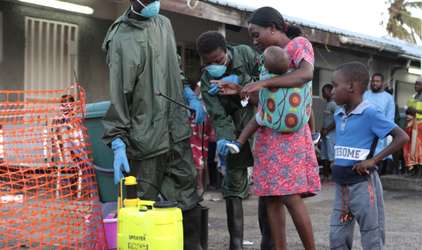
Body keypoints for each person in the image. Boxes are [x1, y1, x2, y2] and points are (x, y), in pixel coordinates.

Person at [101, 1, 206, 249]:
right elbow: (119, 93)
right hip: (145, 138)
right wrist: (117, 140)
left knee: (188, 199)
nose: (156, 4)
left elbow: (173, 68)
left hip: (176, 130)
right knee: (142, 209)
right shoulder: (121, 37)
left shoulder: (164, 24)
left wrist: (187, 92)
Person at [219, 7, 321, 250]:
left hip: (291, 136)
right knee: (271, 198)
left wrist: (263, 81)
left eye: (257, 35)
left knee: (290, 197)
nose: (254, 41)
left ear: (273, 28)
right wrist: (240, 90)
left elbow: (305, 74)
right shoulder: (263, 58)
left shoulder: (299, 45)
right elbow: (266, 102)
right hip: (267, 137)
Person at [196, 30, 272, 250]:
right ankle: (235, 244)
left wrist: (242, 81)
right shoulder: (206, 80)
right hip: (235, 132)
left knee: (266, 185)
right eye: (207, 62)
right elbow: (218, 117)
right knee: (232, 186)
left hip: (262, 126)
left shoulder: (247, 55)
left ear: (227, 50)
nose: (214, 65)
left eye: (218, 60)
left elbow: (268, 82)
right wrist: (226, 139)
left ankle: (268, 240)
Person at [328, 62, 409, 250]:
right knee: (336, 237)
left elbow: (402, 137)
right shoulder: (339, 115)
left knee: (371, 235)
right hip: (342, 186)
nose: (332, 91)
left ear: (351, 87)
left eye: (334, 85)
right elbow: (347, 143)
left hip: (363, 186)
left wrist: (373, 160)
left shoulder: (370, 114)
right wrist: (337, 161)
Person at [226, 46, 319, 154]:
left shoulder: (266, 79)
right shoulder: (295, 77)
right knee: (307, 104)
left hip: (273, 122)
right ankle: (313, 133)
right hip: (299, 121)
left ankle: (239, 142)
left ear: (267, 69)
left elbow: (260, 100)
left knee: (257, 119)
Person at [363, 73, 396, 176]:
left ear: (382, 83)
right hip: (365, 133)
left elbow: (390, 118)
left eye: (377, 81)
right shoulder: (365, 94)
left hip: (381, 135)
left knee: (378, 163)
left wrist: (387, 133)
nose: (375, 83)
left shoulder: (388, 98)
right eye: (373, 81)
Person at [320, 84, 340, 185]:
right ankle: (326, 177)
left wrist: (327, 129)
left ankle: (334, 178)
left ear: (330, 91)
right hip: (325, 134)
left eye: (324, 91)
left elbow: (338, 120)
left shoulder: (334, 104)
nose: (323, 94)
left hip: (331, 134)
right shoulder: (327, 104)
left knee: (332, 157)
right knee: (324, 156)